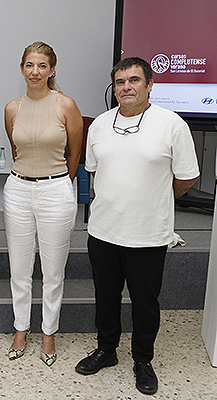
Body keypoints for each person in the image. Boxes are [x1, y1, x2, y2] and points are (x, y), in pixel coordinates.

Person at [74, 57, 199, 395]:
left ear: (149, 85)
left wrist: (152, 196)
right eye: (119, 82)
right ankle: (106, 350)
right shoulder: (99, 124)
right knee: (106, 296)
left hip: (147, 233)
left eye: (133, 80)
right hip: (103, 231)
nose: (126, 87)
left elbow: (187, 177)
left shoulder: (171, 124)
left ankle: (143, 360)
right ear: (113, 88)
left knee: (145, 302)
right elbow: (96, 171)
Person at [3, 42, 82, 367]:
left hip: (56, 191)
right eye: (29, 65)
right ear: (22, 68)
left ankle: (48, 333)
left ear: (51, 70)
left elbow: (75, 153)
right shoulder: (12, 108)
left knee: (53, 271)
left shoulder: (66, 105)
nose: (35, 72)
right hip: (18, 190)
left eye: (42, 66)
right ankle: (21, 329)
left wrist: (59, 183)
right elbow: (16, 148)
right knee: (19, 270)